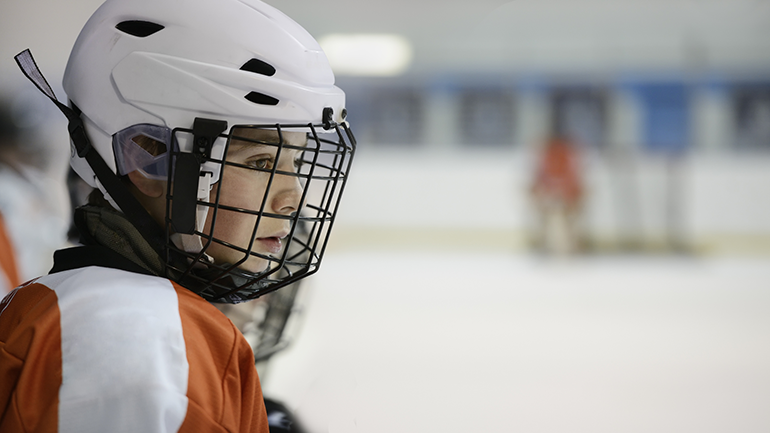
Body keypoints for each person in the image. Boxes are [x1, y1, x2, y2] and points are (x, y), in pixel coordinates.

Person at [0, 0, 356, 431]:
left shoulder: (102, 310)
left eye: (295, 165)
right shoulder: (141, 340)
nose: (292, 199)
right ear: (147, 156)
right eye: (262, 163)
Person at [529, 132, 584, 255]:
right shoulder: (544, 157)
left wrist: (567, 193)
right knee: (546, 213)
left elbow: (574, 180)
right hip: (549, 195)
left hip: (567, 196)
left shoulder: (569, 156)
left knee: (568, 216)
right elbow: (538, 179)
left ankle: (570, 243)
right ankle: (543, 241)